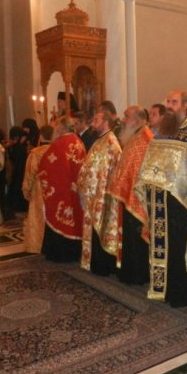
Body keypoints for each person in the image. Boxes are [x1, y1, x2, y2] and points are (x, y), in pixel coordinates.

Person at [136, 89, 187, 306]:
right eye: (168, 102)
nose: (169, 106)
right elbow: (150, 161)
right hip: (157, 198)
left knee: (177, 246)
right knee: (160, 244)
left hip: (179, 202)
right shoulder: (162, 132)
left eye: (174, 102)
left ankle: (180, 293)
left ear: (185, 105)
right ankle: (160, 288)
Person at [107, 105, 154, 284]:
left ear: (137, 119)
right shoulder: (136, 136)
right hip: (128, 194)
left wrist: (121, 186)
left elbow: (136, 170)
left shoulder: (144, 138)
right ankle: (130, 271)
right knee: (129, 236)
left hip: (137, 197)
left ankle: (137, 274)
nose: (123, 120)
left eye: (127, 117)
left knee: (135, 238)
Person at [77, 111, 122, 275]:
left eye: (96, 120)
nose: (92, 123)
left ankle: (103, 266)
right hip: (93, 194)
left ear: (106, 122)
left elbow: (107, 173)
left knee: (102, 228)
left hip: (102, 195)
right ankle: (95, 263)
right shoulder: (100, 140)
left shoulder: (111, 143)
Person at [38, 120, 86, 262]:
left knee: (59, 217)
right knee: (74, 219)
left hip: (61, 191)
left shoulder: (60, 144)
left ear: (60, 128)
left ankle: (59, 254)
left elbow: (46, 165)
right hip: (75, 190)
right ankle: (74, 252)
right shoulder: (78, 141)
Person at [22, 125, 54, 253]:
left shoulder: (35, 153)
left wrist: (26, 190)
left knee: (38, 216)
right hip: (53, 188)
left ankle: (38, 244)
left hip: (39, 189)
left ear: (41, 136)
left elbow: (30, 173)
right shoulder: (56, 150)